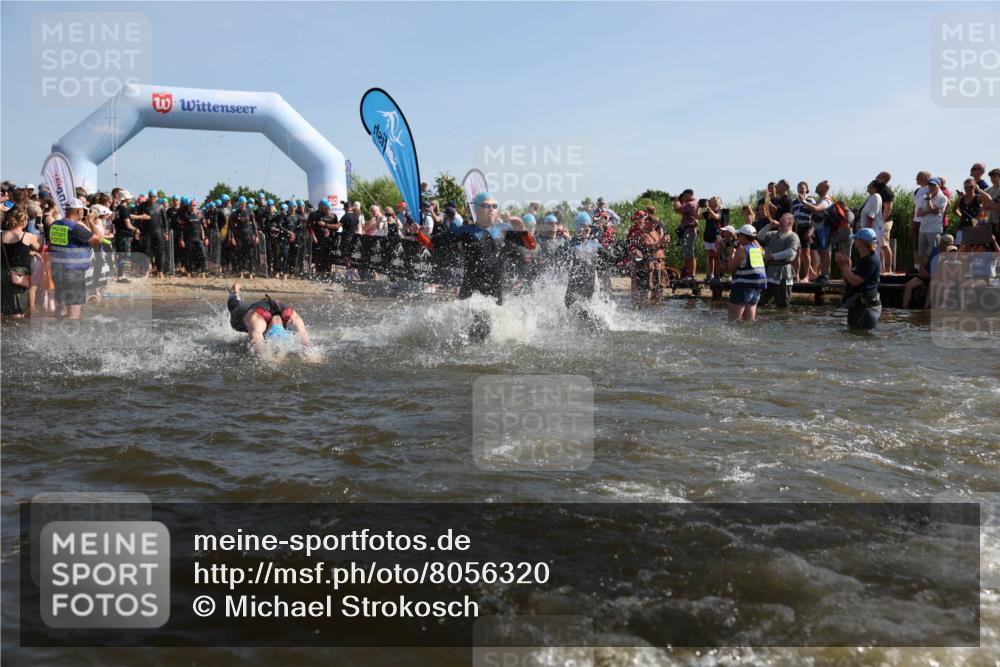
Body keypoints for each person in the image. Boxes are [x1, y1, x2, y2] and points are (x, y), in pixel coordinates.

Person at [47, 198, 105, 319]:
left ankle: (58, 334)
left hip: (57, 271)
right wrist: (90, 220)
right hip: (73, 273)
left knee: (62, 308)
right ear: (79, 211)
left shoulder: (55, 224)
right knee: (74, 311)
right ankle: (72, 335)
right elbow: (98, 239)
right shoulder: (76, 228)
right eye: (83, 211)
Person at [226, 282, 312, 353]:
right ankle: (235, 291)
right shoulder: (257, 320)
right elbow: (257, 346)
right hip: (254, 312)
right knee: (235, 307)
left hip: (275, 307)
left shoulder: (292, 318)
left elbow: (307, 344)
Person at [835, 227, 881, 331]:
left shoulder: (871, 260)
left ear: (862, 242)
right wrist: (847, 267)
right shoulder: (863, 259)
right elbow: (848, 280)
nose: (854, 241)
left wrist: (843, 266)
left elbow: (854, 281)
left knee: (863, 339)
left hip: (868, 309)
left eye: (856, 239)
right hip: (857, 306)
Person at [1, 209, 41, 318]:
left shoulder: (1, 235)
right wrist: (41, 233)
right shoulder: (27, 236)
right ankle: (16, 333)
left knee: (3, 309)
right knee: (18, 310)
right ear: (23, 222)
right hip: (19, 275)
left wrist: (28, 252)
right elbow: (41, 249)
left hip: (3, 273)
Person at [757, 213, 800, 308]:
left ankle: (783, 323)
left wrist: (772, 256)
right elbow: (759, 236)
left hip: (783, 273)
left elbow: (791, 252)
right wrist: (770, 225)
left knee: (782, 304)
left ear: (790, 222)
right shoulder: (774, 234)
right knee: (761, 302)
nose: (779, 222)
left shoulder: (793, 236)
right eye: (779, 220)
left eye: (782, 220)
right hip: (770, 272)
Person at [725, 224, 766, 321]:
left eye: (739, 235)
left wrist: (731, 254)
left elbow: (731, 269)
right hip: (755, 288)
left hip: (742, 288)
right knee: (749, 322)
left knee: (733, 322)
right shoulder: (758, 249)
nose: (737, 237)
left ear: (744, 236)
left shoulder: (742, 249)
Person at [902, 233, 954, 309]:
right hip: (926, 275)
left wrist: (930, 276)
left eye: (948, 244)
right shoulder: (932, 250)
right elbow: (923, 264)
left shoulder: (949, 254)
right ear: (942, 242)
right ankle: (904, 307)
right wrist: (921, 271)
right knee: (908, 285)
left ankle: (925, 308)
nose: (946, 245)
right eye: (945, 243)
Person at [801, 180, 833, 283]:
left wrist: (803, 202)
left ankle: (825, 276)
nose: (816, 186)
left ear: (824, 188)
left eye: (819, 185)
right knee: (821, 252)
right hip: (819, 230)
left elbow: (817, 209)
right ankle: (822, 275)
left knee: (825, 252)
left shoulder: (826, 200)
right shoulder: (821, 199)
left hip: (824, 230)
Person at [915, 177, 948, 266]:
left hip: (934, 230)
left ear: (939, 185)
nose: (930, 187)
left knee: (933, 253)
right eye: (929, 185)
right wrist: (930, 211)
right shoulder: (925, 197)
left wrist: (929, 200)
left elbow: (933, 210)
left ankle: (932, 272)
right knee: (921, 253)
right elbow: (918, 213)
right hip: (923, 229)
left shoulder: (942, 198)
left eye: (933, 185)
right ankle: (922, 271)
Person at [112, 190, 138, 283]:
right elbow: (128, 224)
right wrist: (135, 230)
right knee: (123, 255)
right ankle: (121, 275)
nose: (130, 199)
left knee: (120, 255)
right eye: (129, 198)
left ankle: (120, 274)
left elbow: (114, 221)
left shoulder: (118, 208)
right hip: (124, 235)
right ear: (126, 198)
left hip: (118, 234)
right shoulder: (124, 209)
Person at [672, 189, 699, 279]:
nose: (682, 199)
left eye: (682, 197)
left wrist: (676, 200)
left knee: (690, 254)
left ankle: (691, 275)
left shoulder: (691, 204)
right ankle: (688, 273)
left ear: (687, 195)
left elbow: (677, 209)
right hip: (688, 230)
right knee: (687, 253)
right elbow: (679, 211)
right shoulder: (692, 204)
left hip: (690, 230)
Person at [791, 181, 814, 280]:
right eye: (799, 187)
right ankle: (796, 274)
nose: (801, 188)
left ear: (807, 189)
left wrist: (810, 230)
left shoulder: (811, 200)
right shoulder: (794, 202)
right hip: (796, 228)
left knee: (806, 252)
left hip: (806, 226)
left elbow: (814, 215)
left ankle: (806, 276)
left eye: (803, 187)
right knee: (796, 253)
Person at [702, 197, 722, 280]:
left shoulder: (719, 212)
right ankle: (711, 275)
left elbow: (716, 217)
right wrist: (698, 206)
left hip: (715, 237)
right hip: (707, 236)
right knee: (710, 257)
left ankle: (717, 275)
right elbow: (697, 216)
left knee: (716, 256)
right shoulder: (707, 212)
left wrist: (708, 208)